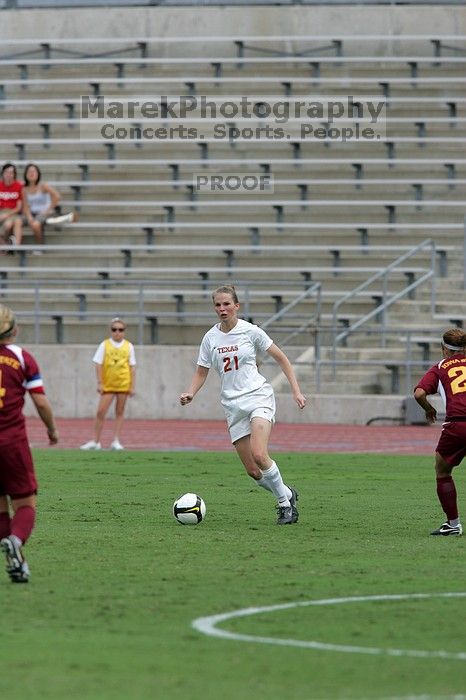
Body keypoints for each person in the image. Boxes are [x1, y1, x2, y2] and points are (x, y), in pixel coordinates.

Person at [179, 285, 307, 525]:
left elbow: (282, 359)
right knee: (253, 471)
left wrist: (296, 391)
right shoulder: (210, 338)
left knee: (260, 454)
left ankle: (284, 506)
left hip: (258, 397)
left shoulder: (251, 332)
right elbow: (201, 372)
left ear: (236, 306)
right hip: (232, 405)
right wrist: (190, 392)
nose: (222, 308)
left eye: (227, 304)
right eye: (218, 305)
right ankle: (287, 494)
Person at [0, 303, 59, 583]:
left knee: (0, 505)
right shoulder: (22, 358)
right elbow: (40, 401)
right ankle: (16, 540)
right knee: (25, 503)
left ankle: (17, 565)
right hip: (11, 442)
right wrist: (52, 430)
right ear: (15, 328)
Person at [414, 327, 466, 536]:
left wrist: (429, 410)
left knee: (443, 472)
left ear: (444, 349)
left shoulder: (440, 367)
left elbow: (419, 394)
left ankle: (453, 525)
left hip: (457, 425)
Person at [80, 318, 136, 451]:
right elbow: (98, 364)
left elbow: (132, 367)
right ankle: (96, 441)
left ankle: (116, 440)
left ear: (124, 331)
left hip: (123, 383)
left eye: (120, 330)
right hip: (108, 384)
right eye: (114, 329)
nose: (117, 332)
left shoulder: (129, 346)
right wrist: (100, 382)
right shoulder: (104, 345)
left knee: (120, 411)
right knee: (101, 412)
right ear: (111, 331)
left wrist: (132, 386)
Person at [21, 163, 61, 248]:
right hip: (32, 213)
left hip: (45, 213)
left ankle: (40, 246)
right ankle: (12, 248)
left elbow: (57, 196)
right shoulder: (24, 189)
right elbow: (25, 206)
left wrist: (47, 210)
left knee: (35, 224)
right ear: (26, 174)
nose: (31, 173)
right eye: (29, 172)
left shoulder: (43, 186)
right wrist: (29, 217)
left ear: (38, 174)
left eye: (34, 171)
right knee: (16, 222)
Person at [0, 163, 23, 247]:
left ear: (14, 174)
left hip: (13, 212)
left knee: (8, 224)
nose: (8, 175)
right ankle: (6, 245)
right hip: (1, 211)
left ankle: (14, 246)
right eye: (6, 172)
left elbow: (18, 208)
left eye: (11, 172)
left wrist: (6, 214)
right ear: (2, 173)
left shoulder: (19, 186)